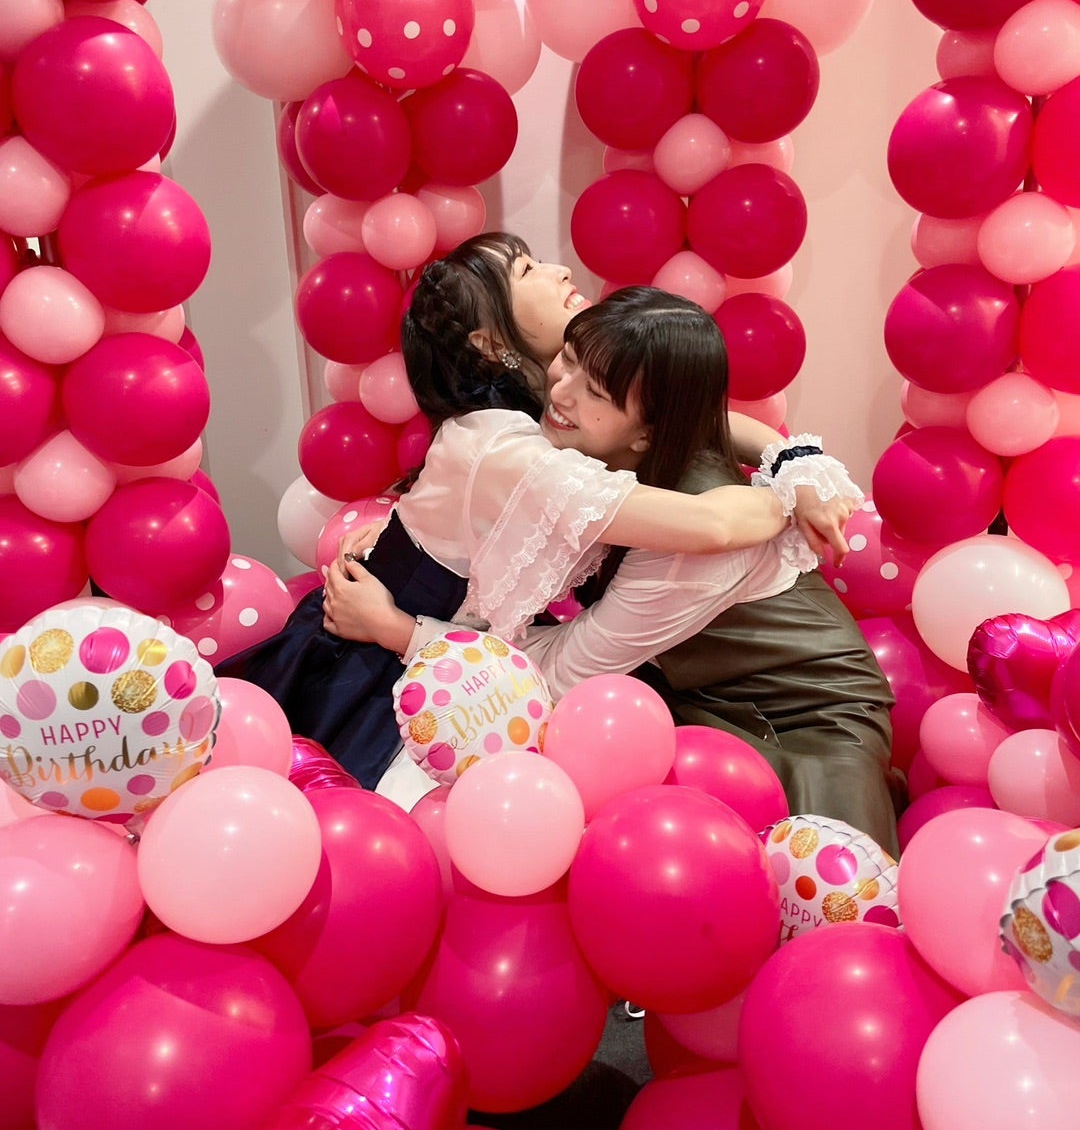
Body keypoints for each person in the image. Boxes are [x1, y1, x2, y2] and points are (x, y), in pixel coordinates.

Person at [220, 235, 854, 790]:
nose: (558, 271)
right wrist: (793, 491)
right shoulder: (515, 445)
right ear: (490, 341)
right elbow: (714, 525)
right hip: (387, 667)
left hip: (458, 650)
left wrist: (797, 459)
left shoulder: (539, 407)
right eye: (526, 270)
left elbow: (701, 419)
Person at [333, 286, 897, 853]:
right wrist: (412, 536)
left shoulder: (686, 544)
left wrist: (401, 631)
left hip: (798, 715)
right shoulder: (607, 436)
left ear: (649, 431)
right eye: (568, 358)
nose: (561, 391)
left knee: (797, 877)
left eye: (595, 390)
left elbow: (565, 672)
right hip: (670, 682)